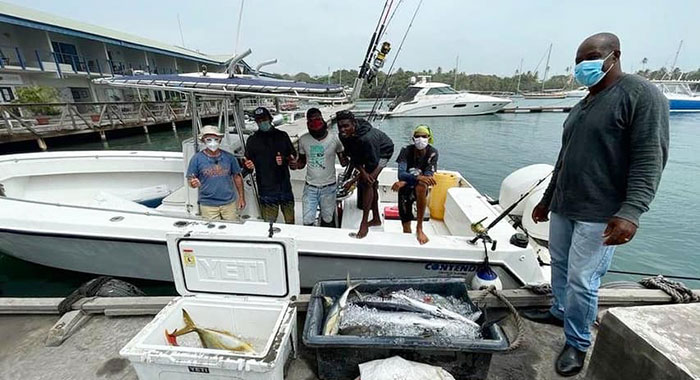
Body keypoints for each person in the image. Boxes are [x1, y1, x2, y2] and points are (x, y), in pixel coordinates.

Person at [523, 33, 669, 377]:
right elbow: (565, 158)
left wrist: (631, 211)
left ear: (613, 56)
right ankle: (559, 311)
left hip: (601, 212)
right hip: (564, 206)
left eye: (589, 58)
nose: (581, 67)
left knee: (583, 279)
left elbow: (650, 157)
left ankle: (576, 342)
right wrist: (547, 199)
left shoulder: (640, 94)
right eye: (577, 61)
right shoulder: (583, 104)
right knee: (559, 266)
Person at [336, 110, 394, 238]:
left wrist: (357, 178)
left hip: (383, 152)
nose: (342, 129)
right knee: (369, 182)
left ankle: (364, 223)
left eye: (346, 126)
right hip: (365, 151)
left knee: (369, 183)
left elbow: (370, 166)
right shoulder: (343, 135)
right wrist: (352, 178)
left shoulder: (367, 139)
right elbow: (355, 158)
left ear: (354, 124)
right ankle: (376, 219)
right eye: (340, 127)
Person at [244, 107, 297, 224]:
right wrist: (248, 165)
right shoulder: (252, 140)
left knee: (290, 221)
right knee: (269, 224)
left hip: (285, 187)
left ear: (270, 118)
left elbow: (293, 156)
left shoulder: (282, 135)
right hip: (266, 189)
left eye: (264, 119)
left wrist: (285, 159)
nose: (262, 122)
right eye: (259, 120)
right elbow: (247, 164)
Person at [295, 108, 347, 227]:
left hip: (329, 187)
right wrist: (293, 164)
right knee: (307, 221)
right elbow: (301, 163)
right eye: (311, 120)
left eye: (317, 119)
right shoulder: (303, 139)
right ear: (307, 123)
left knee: (328, 219)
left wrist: (351, 147)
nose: (315, 122)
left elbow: (344, 162)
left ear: (323, 120)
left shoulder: (335, 138)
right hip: (310, 188)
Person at [391, 125, 438, 245]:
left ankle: (419, 227)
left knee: (422, 185)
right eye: (417, 136)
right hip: (405, 188)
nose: (421, 139)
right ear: (413, 138)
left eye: (424, 136)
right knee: (405, 219)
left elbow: (428, 175)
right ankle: (407, 234)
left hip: (418, 187)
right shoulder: (406, 151)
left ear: (429, 137)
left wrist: (407, 180)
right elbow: (401, 173)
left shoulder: (432, 152)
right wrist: (415, 177)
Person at [187, 125, 245, 220]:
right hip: (208, 205)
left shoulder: (230, 157)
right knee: (213, 232)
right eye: (208, 139)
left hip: (229, 203)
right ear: (203, 140)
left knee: (233, 228)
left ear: (220, 140)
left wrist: (241, 197)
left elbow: (237, 177)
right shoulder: (196, 159)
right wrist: (193, 183)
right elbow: (190, 179)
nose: (212, 143)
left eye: (215, 139)